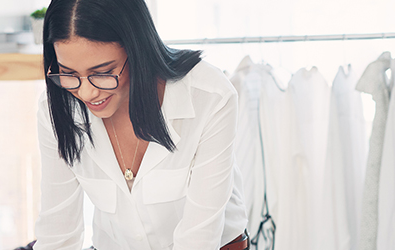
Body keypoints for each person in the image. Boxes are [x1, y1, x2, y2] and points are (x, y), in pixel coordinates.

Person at [34, 0, 248, 249]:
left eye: (103, 72)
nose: (87, 93)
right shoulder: (57, 109)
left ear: (137, 48)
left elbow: (198, 239)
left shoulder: (208, 96)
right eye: (68, 73)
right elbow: (58, 233)